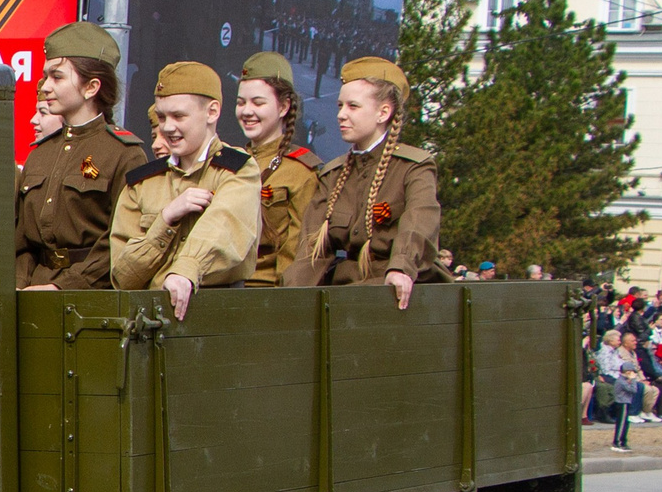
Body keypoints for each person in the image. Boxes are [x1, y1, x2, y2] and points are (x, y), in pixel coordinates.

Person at [282, 56, 445, 310]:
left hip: (394, 293)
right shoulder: (333, 174)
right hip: (343, 294)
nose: (341, 115)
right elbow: (311, 251)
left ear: (383, 113)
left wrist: (401, 266)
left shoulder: (413, 167)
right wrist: (292, 300)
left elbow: (419, 223)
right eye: (339, 105)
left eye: (353, 106)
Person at [108, 63, 264, 321]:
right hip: (147, 321)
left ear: (212, 112)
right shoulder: (143, 182)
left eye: (179, 116)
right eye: (161, 117)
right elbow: (123, 277)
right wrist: (166, 219)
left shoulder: (237, 170)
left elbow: (224, 224)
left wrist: (186, 269)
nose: (168, 127)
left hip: (215, 317)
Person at [15, 21, 143, 290]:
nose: (45, 86)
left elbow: (124, 239)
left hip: (91, 297)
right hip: (33, 292)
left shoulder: (124, 154)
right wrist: (20, 285)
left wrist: (65, 286)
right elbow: (22, 240)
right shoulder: (41, 153)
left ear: (91, 87)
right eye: (45, 76)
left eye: (57, 77)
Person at [232, 50, 319, 286]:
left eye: (258, 103)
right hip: (220, 290)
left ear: (283, 107)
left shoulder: (301, 172)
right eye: (241, 103)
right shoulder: (229, 162)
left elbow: (297, 256)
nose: (247, 111)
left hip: (266, 292)